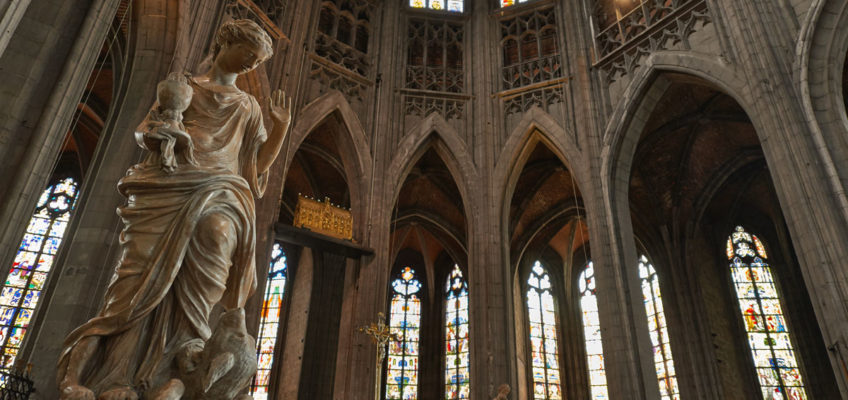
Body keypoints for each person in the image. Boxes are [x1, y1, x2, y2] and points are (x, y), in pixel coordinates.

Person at [56, 19, 291, 400]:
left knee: (213, 251)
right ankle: (105, 377)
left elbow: (256, 165)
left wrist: (280, 130)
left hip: (222, 192)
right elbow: (145, 130)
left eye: (256, 62)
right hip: (167, 189)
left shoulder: (248, 107)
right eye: (247, 55)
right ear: (225, 41)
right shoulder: (184, 87)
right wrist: (165, 132)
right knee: (133, 289)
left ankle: (175, 365)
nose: (250, 65)